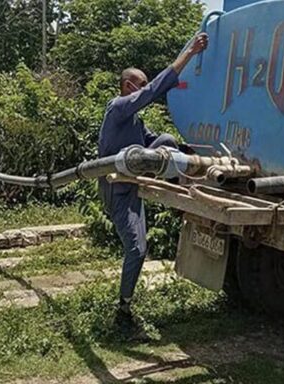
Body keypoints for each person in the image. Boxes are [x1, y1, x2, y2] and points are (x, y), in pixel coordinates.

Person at [98, 32, 209, 340]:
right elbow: (153, 90)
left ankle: (179, 191)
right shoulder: (118, 108)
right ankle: (123, 311)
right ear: (127, 86)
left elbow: (152, 142)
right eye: (139, 84)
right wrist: (188, 53)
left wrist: (189, 152)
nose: (143, 88)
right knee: (137, 248)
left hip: (133, 185)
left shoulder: (135, 123)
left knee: (168, 141)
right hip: (117, 190)